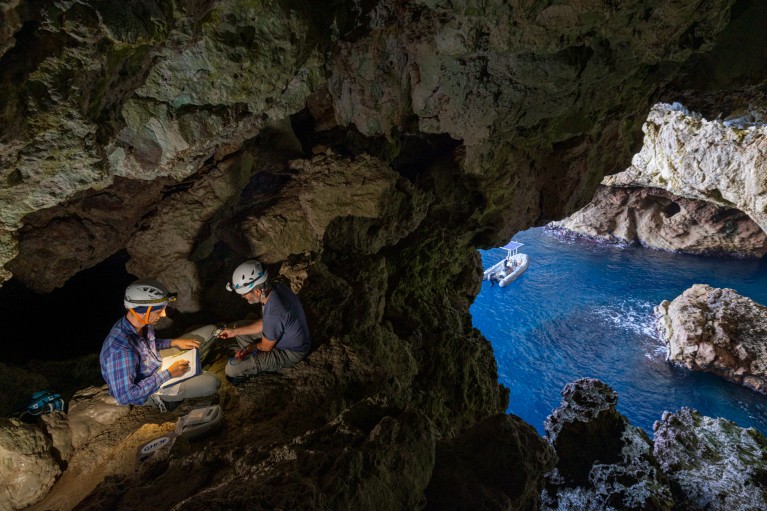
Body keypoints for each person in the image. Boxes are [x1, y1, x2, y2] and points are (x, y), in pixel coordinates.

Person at [100, 279, 220, 410]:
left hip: (155, 362)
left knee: (211, 330)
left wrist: (173, 342)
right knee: (212, 383)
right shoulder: (120, 350)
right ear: (142, 311)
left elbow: (146, 345)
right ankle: (163, 401)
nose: (163, 315)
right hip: (151, 387)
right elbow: (125, 396)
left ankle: (191, 368)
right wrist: (168, 373)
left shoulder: (141, 323)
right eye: (158, 311)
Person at [219, 259, 311, 382]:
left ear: (257, 291)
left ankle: (256, 367)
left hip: (290, 352)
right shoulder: (275, 288)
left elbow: (266, 346)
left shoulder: (275, 311)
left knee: (231, 369)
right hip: (282, 334)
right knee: (238, 327)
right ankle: (253, 359)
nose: (243, 297)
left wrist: (247, 349)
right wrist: (234, 332)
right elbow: (265, 322)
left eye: (244, 294)